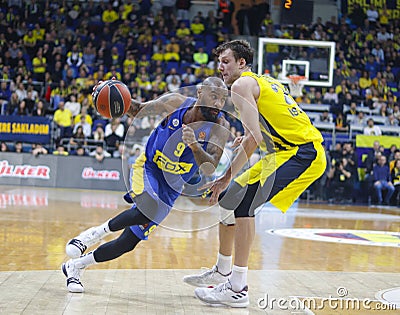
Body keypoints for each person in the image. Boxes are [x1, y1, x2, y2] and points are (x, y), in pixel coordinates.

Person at [183, 40, 326, 308]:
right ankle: (223, 270)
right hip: (283, 151)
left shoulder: (240, 86)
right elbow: (272, 125)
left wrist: (227, 173)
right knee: (227, 199)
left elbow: (255, 137)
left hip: (302, 153)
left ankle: (238, 288)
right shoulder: (260, 82)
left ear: (242, 63)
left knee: (243, 202)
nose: (220, 67)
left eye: (226, 61)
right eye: (219, 62)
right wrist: (252, 137)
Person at [61, 77, 230, 293]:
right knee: (148, 208)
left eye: (223, 99)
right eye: (214, 96)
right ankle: (90, 235)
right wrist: (111, 92)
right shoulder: (175, 103)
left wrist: (195, 147)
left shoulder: (220, 126)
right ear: (200, 93)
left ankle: (74, 267)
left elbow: (210, 168)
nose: (218, 103)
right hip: (148, 167)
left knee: (127, 243)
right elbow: (137, 109)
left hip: (173, 185)